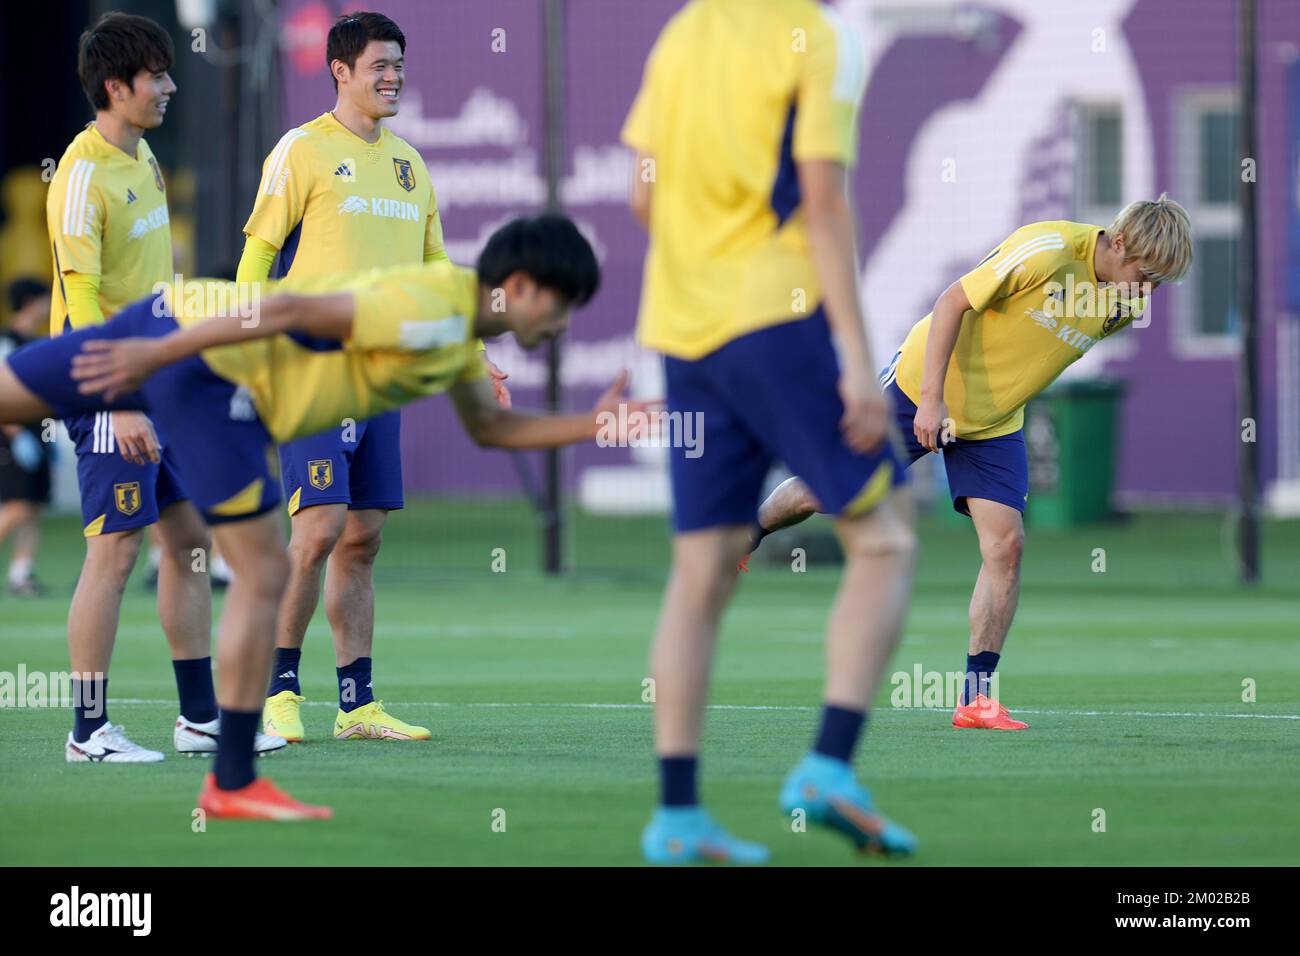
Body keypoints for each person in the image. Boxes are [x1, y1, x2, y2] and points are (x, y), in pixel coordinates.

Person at [0, 213, 651, 820]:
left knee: (12, 395)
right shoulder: (429, 310)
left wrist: (594, 425)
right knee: (260, 574)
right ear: (521, 287)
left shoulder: (455, 325)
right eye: (563, 305)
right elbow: (285, 306)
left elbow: (490, 425)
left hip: (169, 323)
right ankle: (231, 784)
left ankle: (220, 761)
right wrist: (160, 360)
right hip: (204, 370)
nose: (565, 323)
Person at [622, 0, 918, 863]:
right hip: (776, 321)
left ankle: (677, 818)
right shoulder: (820, 39)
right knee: (886, 540)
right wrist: (859, 362)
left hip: (681, 330)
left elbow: (644, 193)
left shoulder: (682, 32)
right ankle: (829, 766)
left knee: (701, 571)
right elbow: (824, 203)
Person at [749, 196, 1193, 729]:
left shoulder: (1125, 303)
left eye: (1159, 285)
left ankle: (976, 698)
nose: (1147, 292)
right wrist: (932, 401)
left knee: (1006, 546)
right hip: (920, 387)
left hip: (993, 424)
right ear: (1118, 242)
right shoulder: (1047, 251)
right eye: (1145, 275)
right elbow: (951, 302)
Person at [238, 10, 509, 745]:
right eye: (379, 67)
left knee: (364, 539)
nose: (393, 77)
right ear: (341, 72)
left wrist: (476, 351)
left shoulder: (410, 164)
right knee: (318, 527)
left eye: (399, 66)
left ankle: (356, 705)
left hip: (381, 377)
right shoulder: (302, 150)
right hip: (311, 366)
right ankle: (278, 692)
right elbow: (257, 258)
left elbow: (432, 273)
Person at [47, 12, 281, 763]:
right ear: (117, 87)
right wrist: (115, 401)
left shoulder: (142, 158)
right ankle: (87, 730)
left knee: (186, 546)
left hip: (161, 380)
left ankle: (199, 718)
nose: (172, 87)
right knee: (114, 553)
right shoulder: (81, 173)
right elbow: (79, 298)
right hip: (106, 385)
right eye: (158, 76)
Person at [0, 279, 54, 596]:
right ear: (31, 302)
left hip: (37, 431)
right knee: (16, 506)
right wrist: (15, 433)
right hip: (12, 433)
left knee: (33, 506)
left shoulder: (38, 340)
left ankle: (21, 574)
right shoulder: (7, 338)